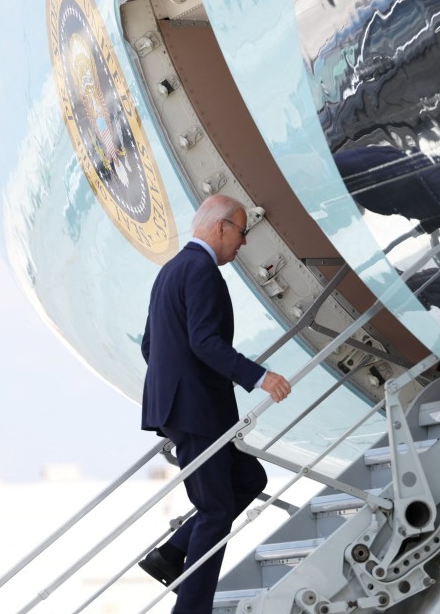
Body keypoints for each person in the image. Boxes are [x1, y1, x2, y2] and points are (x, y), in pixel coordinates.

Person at [138, 194, 292, 613]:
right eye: (242, 232)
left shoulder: (171, 270)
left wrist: (174, 388)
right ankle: (191, 607)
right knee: (216, 509)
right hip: (196, 411)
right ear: (222, 227)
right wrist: (260, 377)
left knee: (249, 479)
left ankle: (170, 554)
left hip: (182, 408)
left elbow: (152, 346)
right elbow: (204, 342)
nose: (242, 243)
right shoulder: (203, 271)